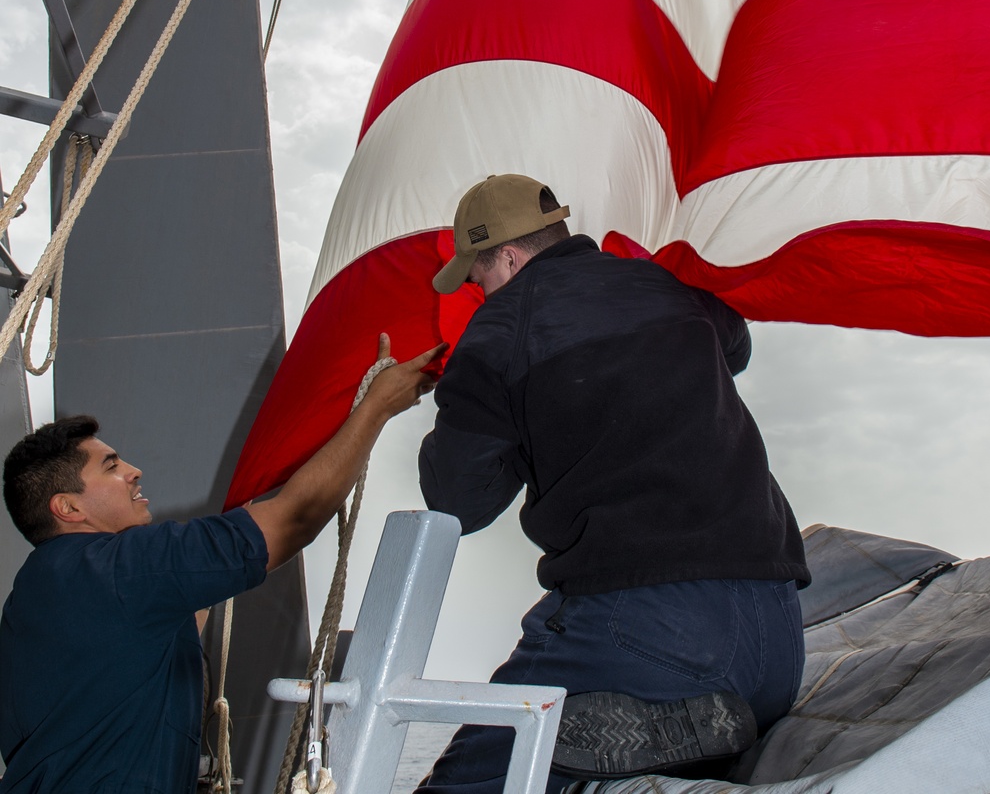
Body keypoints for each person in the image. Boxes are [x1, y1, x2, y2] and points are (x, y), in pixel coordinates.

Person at [417, 174, 810, 792]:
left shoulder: (499, 331)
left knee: (466, 782)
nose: (478, 291)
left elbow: (457, 501)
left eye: (478, 276)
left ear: (510, 257)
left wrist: (469, 402)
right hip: (778, 635)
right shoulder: (664, 287)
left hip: (650, 630)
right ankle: (667, 735)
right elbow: (734, 346)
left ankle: (645, 720)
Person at [0, 334, 444, 794]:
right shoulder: (121, 568)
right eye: (110, 467)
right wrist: (376, 408)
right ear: (68, 509)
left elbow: (142, 653)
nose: (133, 470)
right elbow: (293, 521)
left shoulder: (36, 597)